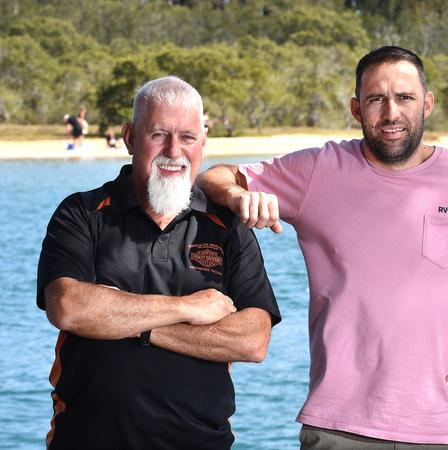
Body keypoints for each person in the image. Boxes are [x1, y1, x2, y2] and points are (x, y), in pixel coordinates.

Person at [198, 46, 448, 449]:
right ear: (357, 109)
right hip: (338, 428)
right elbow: (212, 177)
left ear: (427, 104)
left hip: (446, 430)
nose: (391, 112)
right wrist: (238, 197)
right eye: (377, 99)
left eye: (405, 97)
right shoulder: (317, 171)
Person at [38, 76, 280, 449]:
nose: (173, 150)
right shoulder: (83, 212)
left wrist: (136, 327)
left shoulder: (226, 225)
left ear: (203, 142)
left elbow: (252, 340)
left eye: (187, 137)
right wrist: (188, 307)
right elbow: (69, 306)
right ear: (131, 137)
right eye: (158, 135)